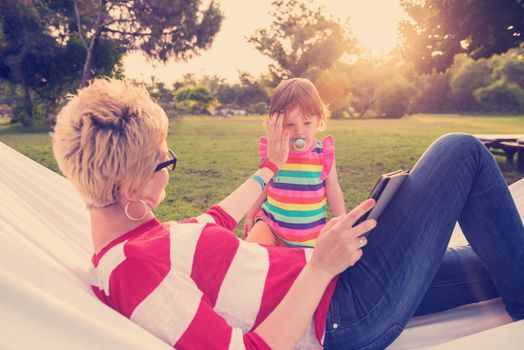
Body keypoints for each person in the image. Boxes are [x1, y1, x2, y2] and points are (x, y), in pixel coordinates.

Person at [52, 78, 524, 350]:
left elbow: (216, 219)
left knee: (490, 261)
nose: (171, 167)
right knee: (459, 152)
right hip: (342, 312)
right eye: (164, 159)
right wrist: (319, 266)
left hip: (342, 282)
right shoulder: (132, 269)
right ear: (131, 186)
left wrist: (270, 167)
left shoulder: (143, 236)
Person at [243, 78, 346, 248]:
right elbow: (263, 184)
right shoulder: (274, 152)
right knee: (252, 252)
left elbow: (333, 189)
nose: (299, 131)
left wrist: (341, 221)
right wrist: (250, 215)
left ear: (319, 120)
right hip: (272, 226)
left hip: (309, 235)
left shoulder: (323, 153)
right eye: (289, 124)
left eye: (307, 123)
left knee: (299, 270)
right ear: (275, 124)